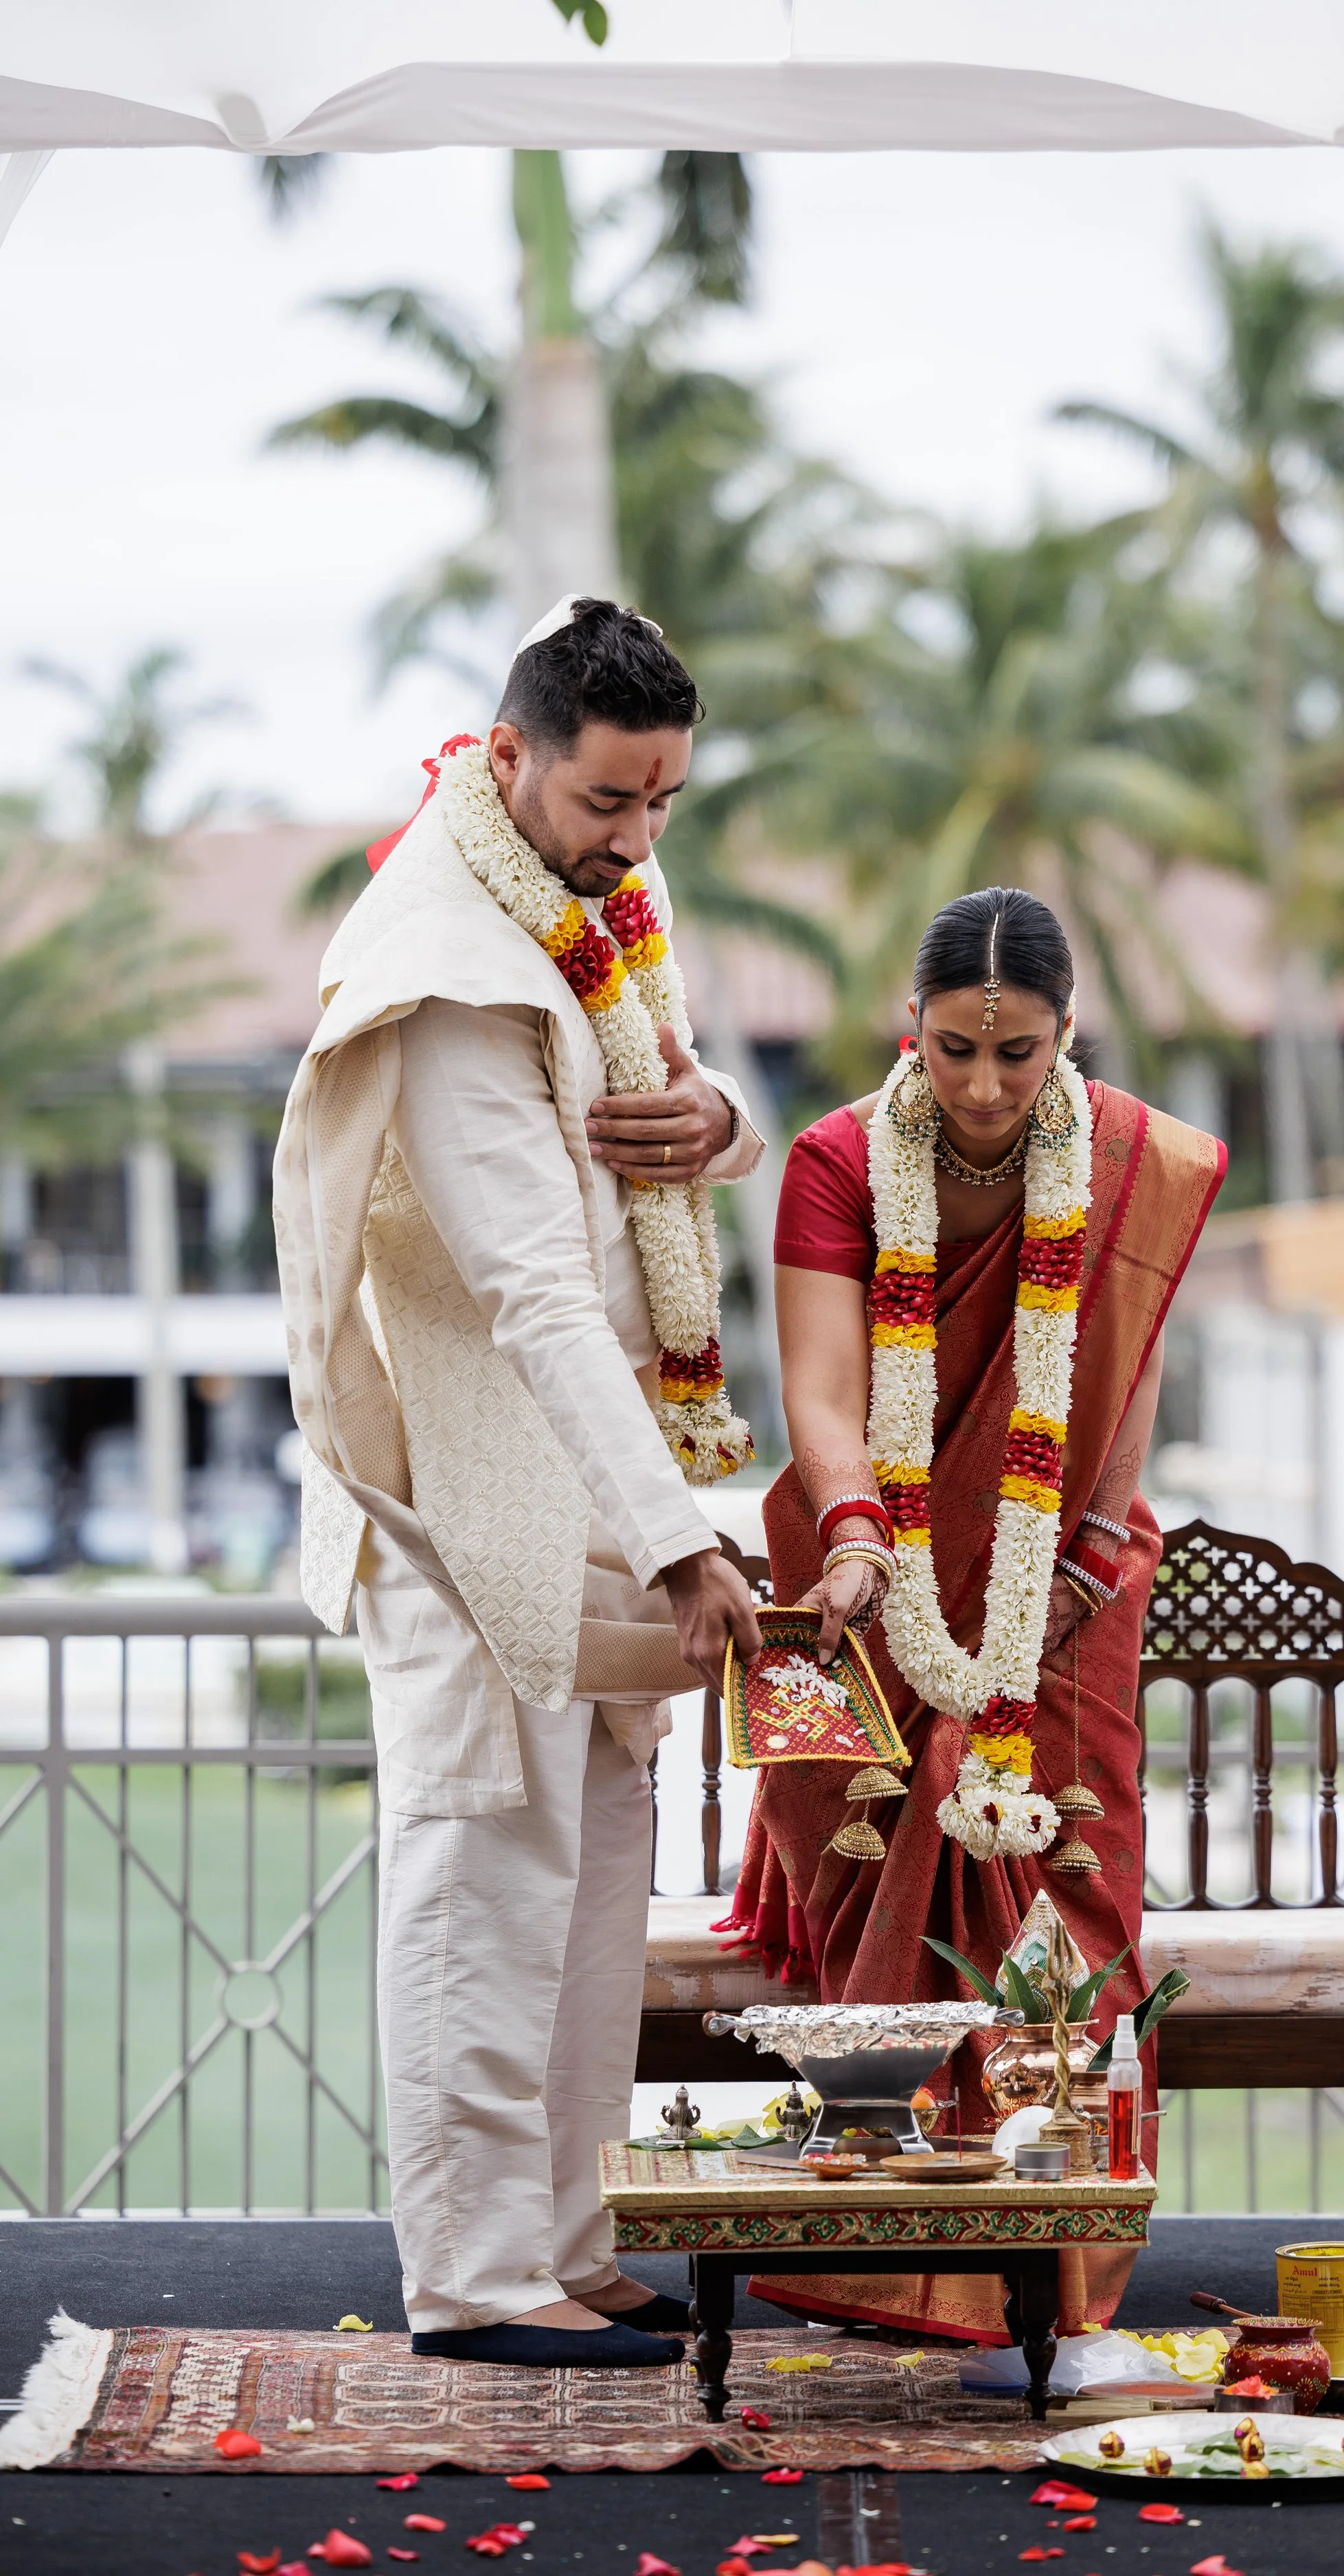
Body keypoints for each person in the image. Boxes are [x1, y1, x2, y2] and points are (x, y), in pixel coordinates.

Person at [273, 598, 764, 2369]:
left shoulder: (584, 904)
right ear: (508, 759)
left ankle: (573, 2244)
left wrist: (713, 1115)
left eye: (663, 805)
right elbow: (533, 1291)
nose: (638, 840)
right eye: (610, 800)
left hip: (595, 1475)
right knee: (484, 1865)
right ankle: (477, 2279)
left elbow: (674, 1092)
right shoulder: (449, 961)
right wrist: (686, 1541)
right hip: (474, 1492)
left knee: (595, 1868)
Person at [723, 886, 1225, 2342]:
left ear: (1067, 1037)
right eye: (954, 1052)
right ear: (910, 1033)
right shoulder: (833, 1160)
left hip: (1061, 1577)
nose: (986, 1086)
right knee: (889, 1802)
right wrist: (863, 1533)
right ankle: (892, 2236)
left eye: (1016, 1054)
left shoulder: (1136, 1163)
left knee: (1043, 1869)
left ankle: (1043, 2264)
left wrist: (1072, 1568)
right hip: (856, 1558)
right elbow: (819, 1393)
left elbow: (1118, 1389)